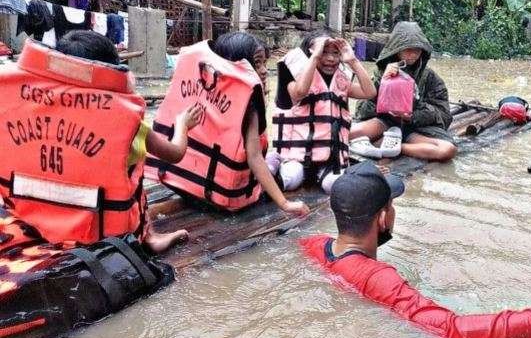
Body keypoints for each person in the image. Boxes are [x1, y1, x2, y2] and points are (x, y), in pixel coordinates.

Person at [300, 161, 531, 338]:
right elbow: (456, 332)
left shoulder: (313, 246)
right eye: (392, 206)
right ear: (384, 218)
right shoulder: (378, 277)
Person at [0, 31, 196, 253]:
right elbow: (175, 153)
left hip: (30, 224)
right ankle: (148, 236)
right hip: (103, 237)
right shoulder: (126, 120)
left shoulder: (16, 104)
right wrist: (183, 124)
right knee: (133, 166)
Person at [145, 32, 309, 217]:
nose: (264, 70)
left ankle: (276, 159)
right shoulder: (248, 103)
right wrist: (285, 203)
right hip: (226, 197)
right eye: (257, 63)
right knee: (287, 169)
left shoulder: (200, 83)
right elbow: (254, 157)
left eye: (264, 63)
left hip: (186, 184)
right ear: (237, 64)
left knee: (272, 158)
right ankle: (278, 160)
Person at [270, 30, 377, 193]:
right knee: (291, 179)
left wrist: (353, 61)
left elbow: (369, 92)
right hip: (297, 157)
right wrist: (314, 57)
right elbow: (299, 93)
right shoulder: (294, 78)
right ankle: (273, 161)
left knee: (334, 186)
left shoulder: (341, 81)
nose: (330, 58)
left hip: (330, 159)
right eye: (323, 52)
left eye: (335, 53)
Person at [350, 22, 457, 162]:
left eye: (417, 50)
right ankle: (383, 142)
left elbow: (444, 116)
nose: (412, 54)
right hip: (383, 124)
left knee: (447, 150)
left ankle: (393, 147)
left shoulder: (431, 78)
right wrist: (382, 82)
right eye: (407, 49)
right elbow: (362, 111)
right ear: (396, 50)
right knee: (346, 134)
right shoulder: (382, 72)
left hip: (415, 130)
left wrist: (412, 114)